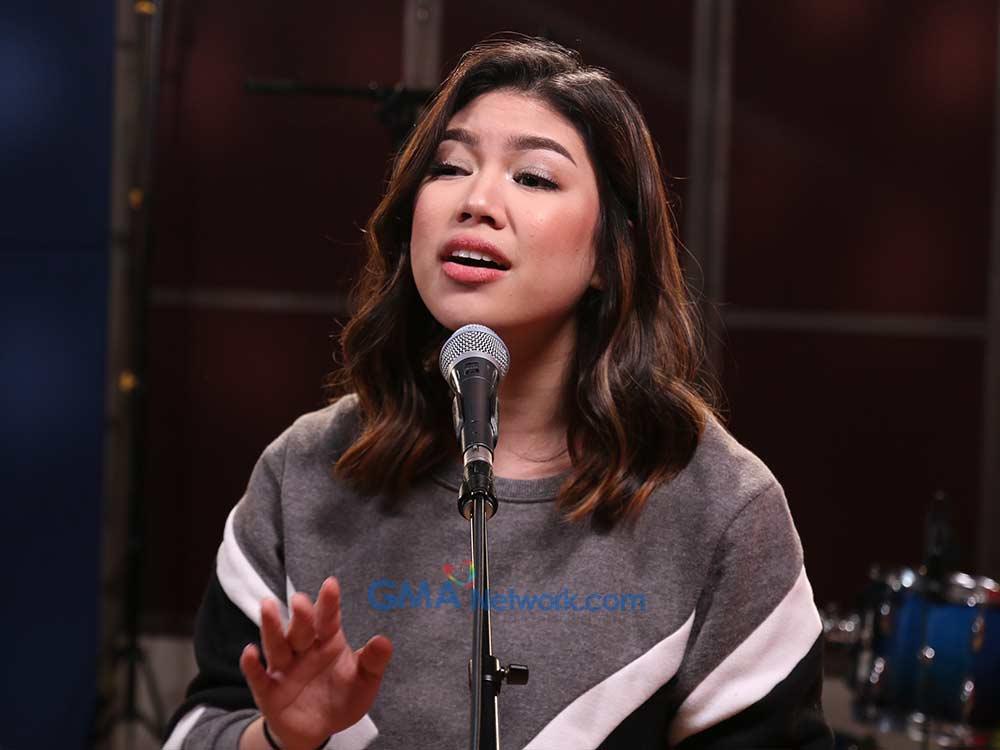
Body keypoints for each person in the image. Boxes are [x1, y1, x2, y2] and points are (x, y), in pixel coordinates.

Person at [163, 35, 832, 750]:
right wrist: (279, 738)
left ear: (611, 253)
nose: (476, 201)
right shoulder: (305, 472)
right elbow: (200, 729)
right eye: (449, 167)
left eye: (534, 178)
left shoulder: (720, 507)